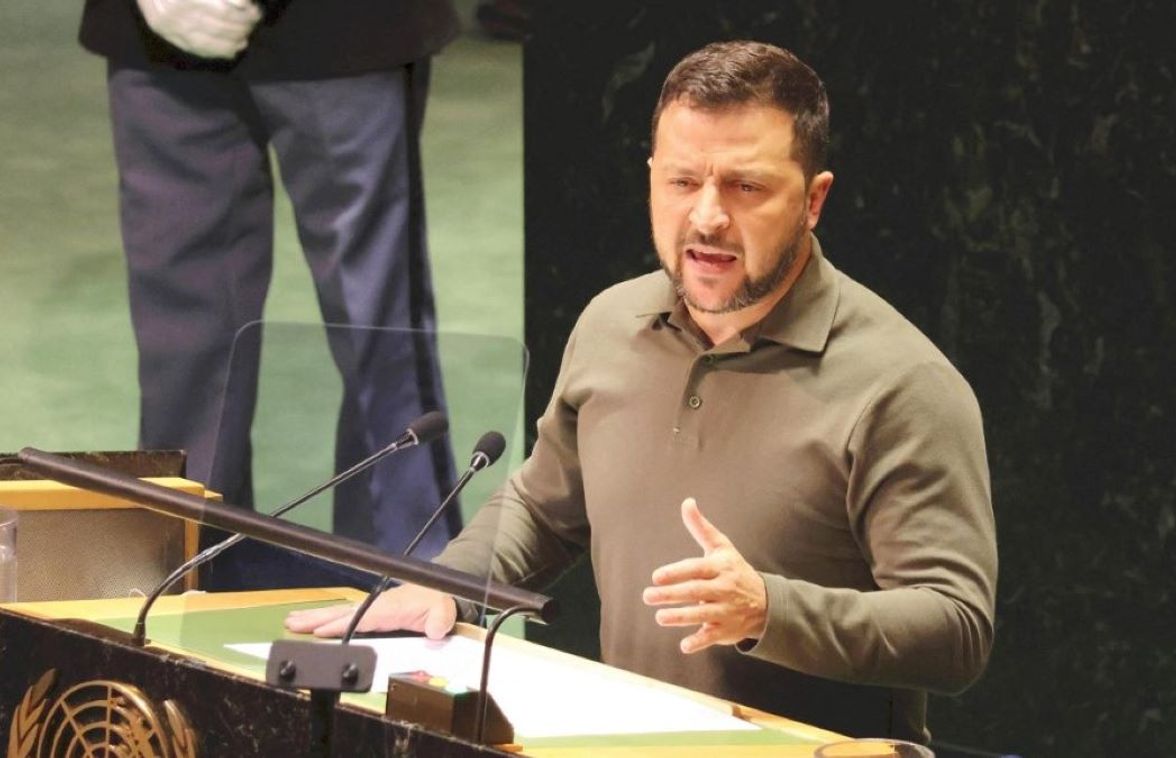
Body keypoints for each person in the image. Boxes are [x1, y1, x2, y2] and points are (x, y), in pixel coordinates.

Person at [286, 40, 997, 742]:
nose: (708, 217)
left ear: (813, 200)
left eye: (745, 187)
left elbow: (955, 628)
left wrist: (767, 611)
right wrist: (449, 584)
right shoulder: (610, 324)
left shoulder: (901, 384)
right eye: (682, 182)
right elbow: (544, 507)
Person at [78, 0, 464, 584]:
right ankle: (185, 589)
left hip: (343, 30)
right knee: (182, 351)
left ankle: (404, 596)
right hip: (158, 35)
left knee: (378, 336)